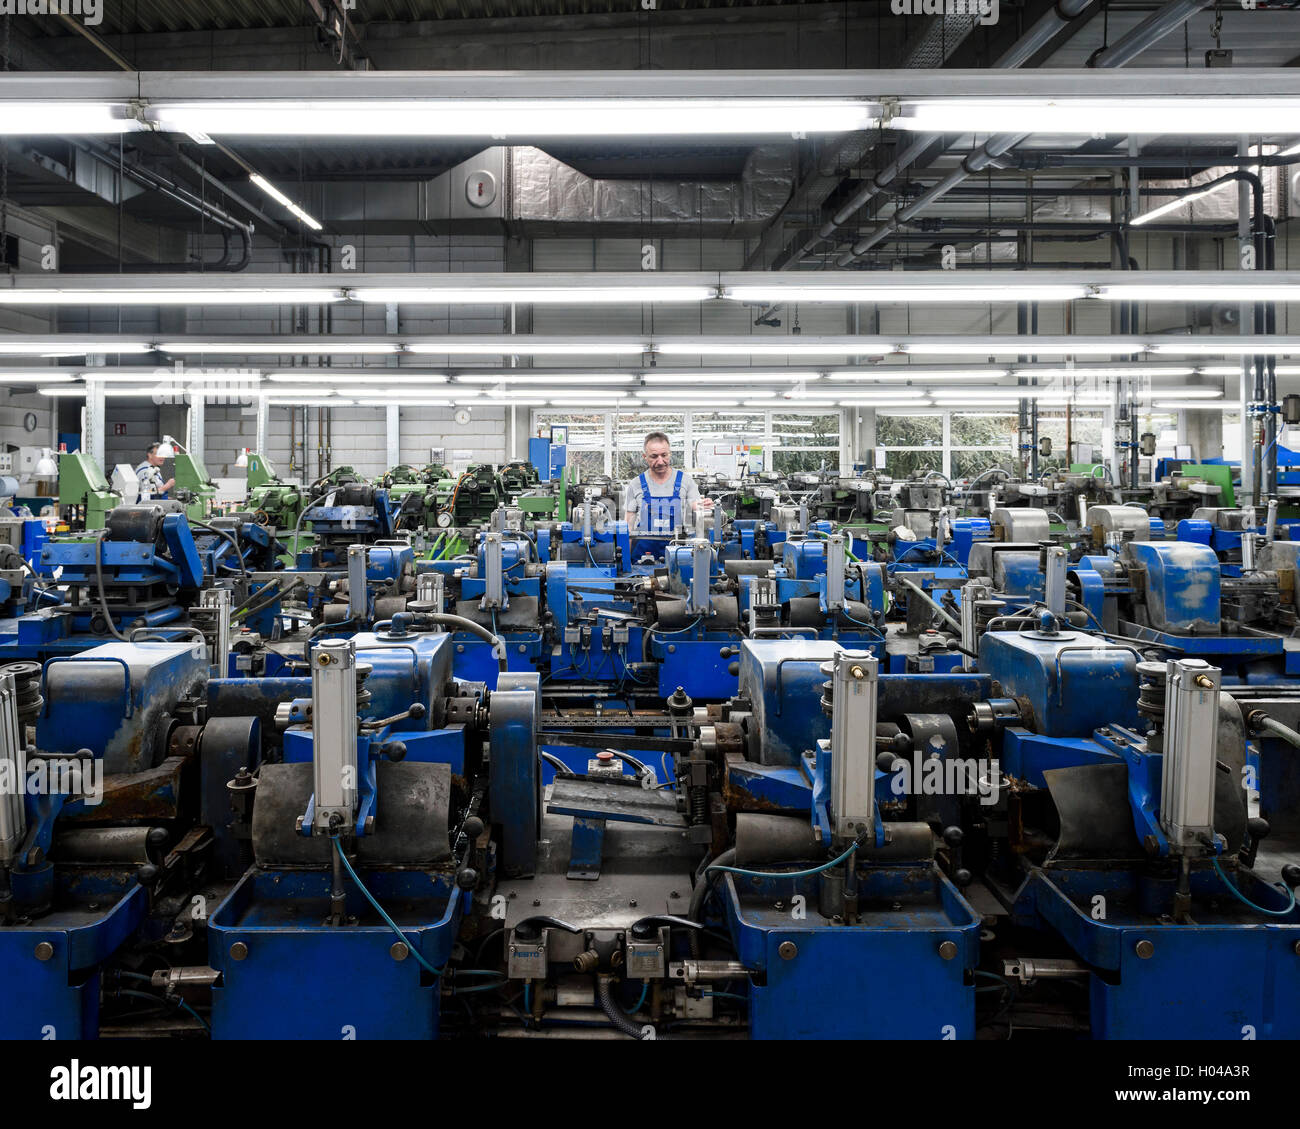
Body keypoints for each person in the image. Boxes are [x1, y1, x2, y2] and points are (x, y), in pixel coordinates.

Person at [622, 430, 713, 540]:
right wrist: (625, 556)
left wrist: (703, 506)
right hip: (643, 552)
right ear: (645, 457)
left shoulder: (686, 481)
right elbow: (628, 526)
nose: (660, 462)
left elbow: (696, 506)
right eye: (654, 456)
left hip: (678, 551)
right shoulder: (636, 484)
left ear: (670, 454)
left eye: (664, 455)